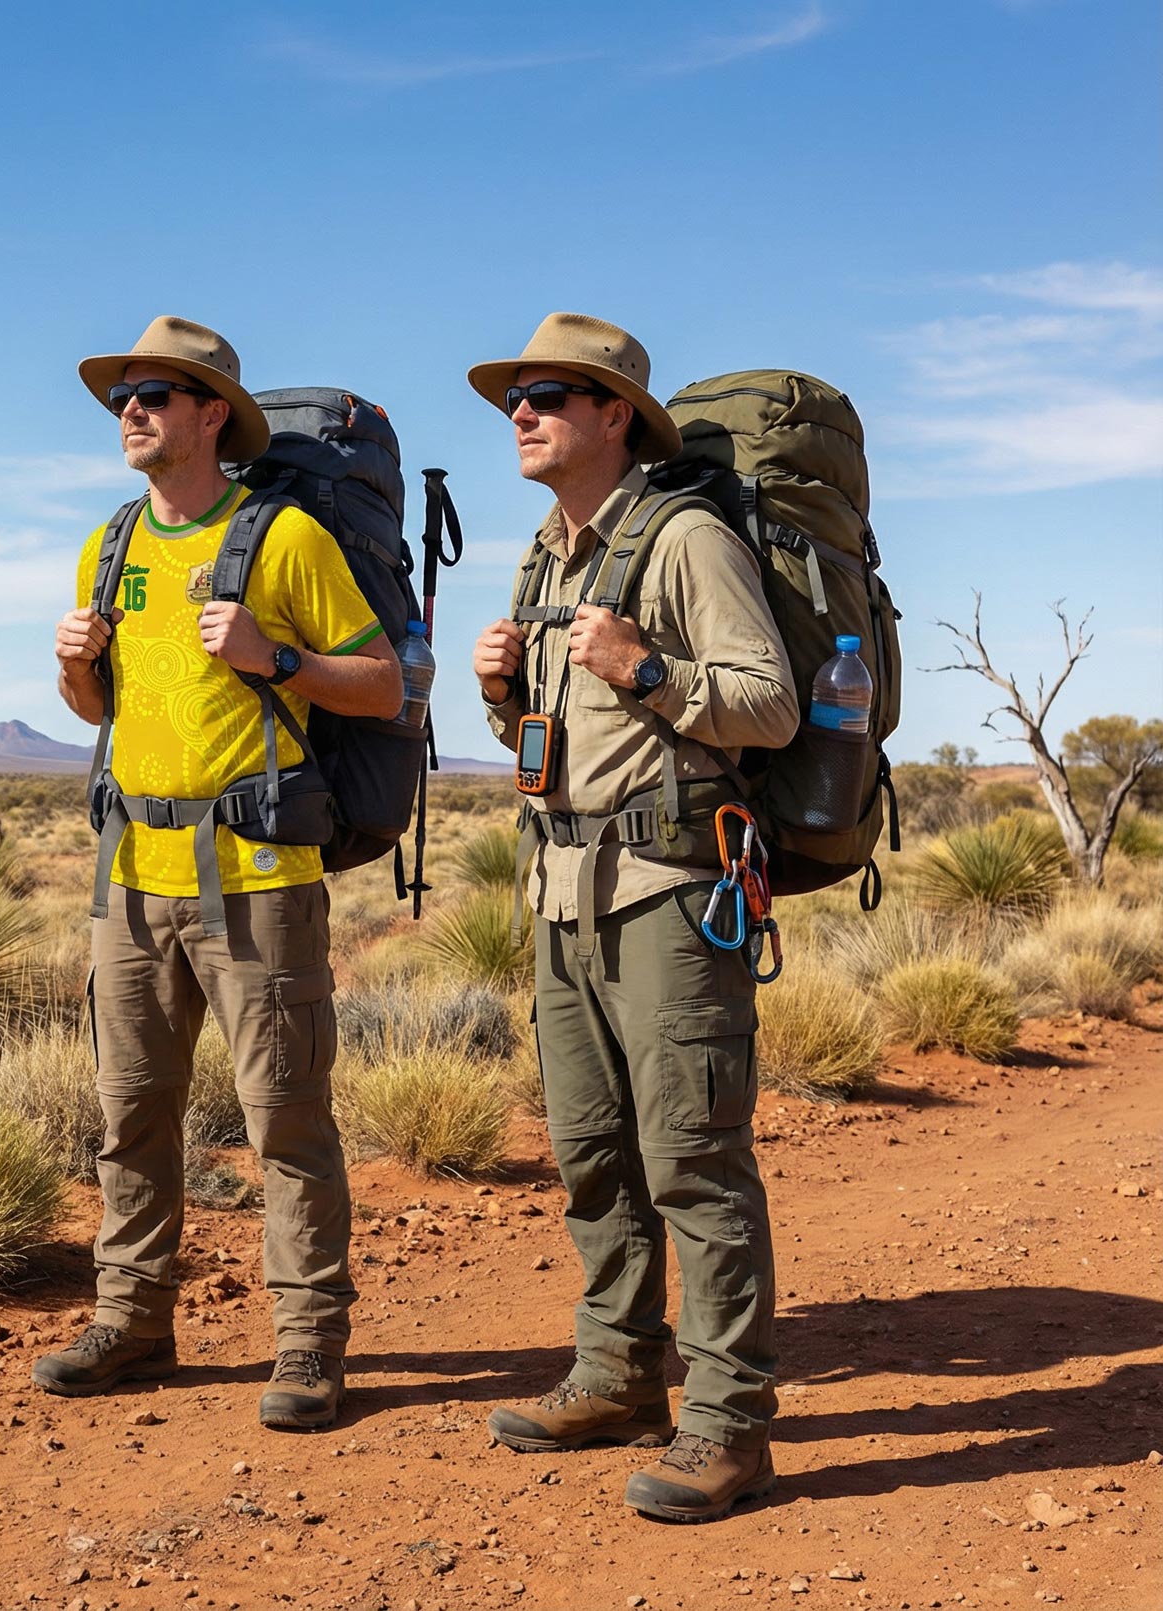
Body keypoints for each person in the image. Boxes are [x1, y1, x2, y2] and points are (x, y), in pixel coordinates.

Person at [32, 315, 402, 1430]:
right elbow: (98, 712)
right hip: (129, 877)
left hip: (255, 878)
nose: (131, 412)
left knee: (282, 1121)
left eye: (155, 394)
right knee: (129, 1115)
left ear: (209, 417)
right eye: (121, 398)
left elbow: (381, 686)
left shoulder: (281, 537)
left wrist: (275, 658)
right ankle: (134, 1319)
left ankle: (305, 1346)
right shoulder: (109, 545)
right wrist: (71, 675)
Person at [467, 313, 799, 1521]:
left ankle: (726, 1426)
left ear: (614, 416)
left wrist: (647, 668)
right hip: (560, 893)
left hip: (669, 897)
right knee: (592, 1158)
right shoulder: (544, 559)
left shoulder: (687, 540)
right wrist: (504, 698)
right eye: (515, 396)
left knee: (692, 1164)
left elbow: (765, 707)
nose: (521, 413)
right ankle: (614, 1374)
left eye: (548, 394)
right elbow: (548, 748)